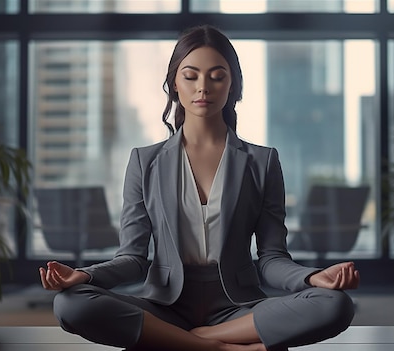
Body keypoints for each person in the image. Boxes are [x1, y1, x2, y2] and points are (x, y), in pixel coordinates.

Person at [39, 24, 360, 351]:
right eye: (191, 76)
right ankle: (218, 347)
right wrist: (85, 276)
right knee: (71, 303)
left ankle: (190, 341)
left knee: (335, 304)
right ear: (174, 84)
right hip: (165, 307)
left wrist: (312, 278)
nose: (203, 87)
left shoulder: (262, 162)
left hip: (238, 307)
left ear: (232, 84)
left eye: (217, 76)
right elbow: (133, 258)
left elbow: (271, 259)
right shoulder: (144, 162)